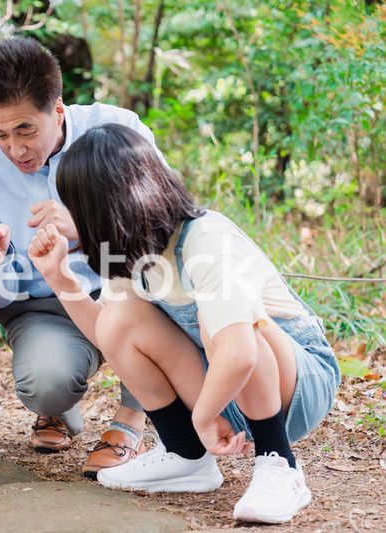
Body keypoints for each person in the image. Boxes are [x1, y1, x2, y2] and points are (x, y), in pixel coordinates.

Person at [27, 124, 340, 524]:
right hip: (223, 384)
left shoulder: (204, 238)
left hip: (295, 383)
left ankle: (278, 464)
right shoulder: (132, 253)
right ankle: (186, 456)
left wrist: (205, 416)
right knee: (118, 319)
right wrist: (59, 277)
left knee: (226, 323)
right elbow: (110, 337)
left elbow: (241, 351)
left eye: (78, 207)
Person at [0, 36, 167, 477]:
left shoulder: (118, 130)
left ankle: (132, 417)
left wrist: (88, 226)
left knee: (159, 276)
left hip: (127, 291)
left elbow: (166, 224)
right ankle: (59, 406)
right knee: (45, 383)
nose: (14, 150)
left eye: (25, 130)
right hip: (44, 307)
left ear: (56, 110)